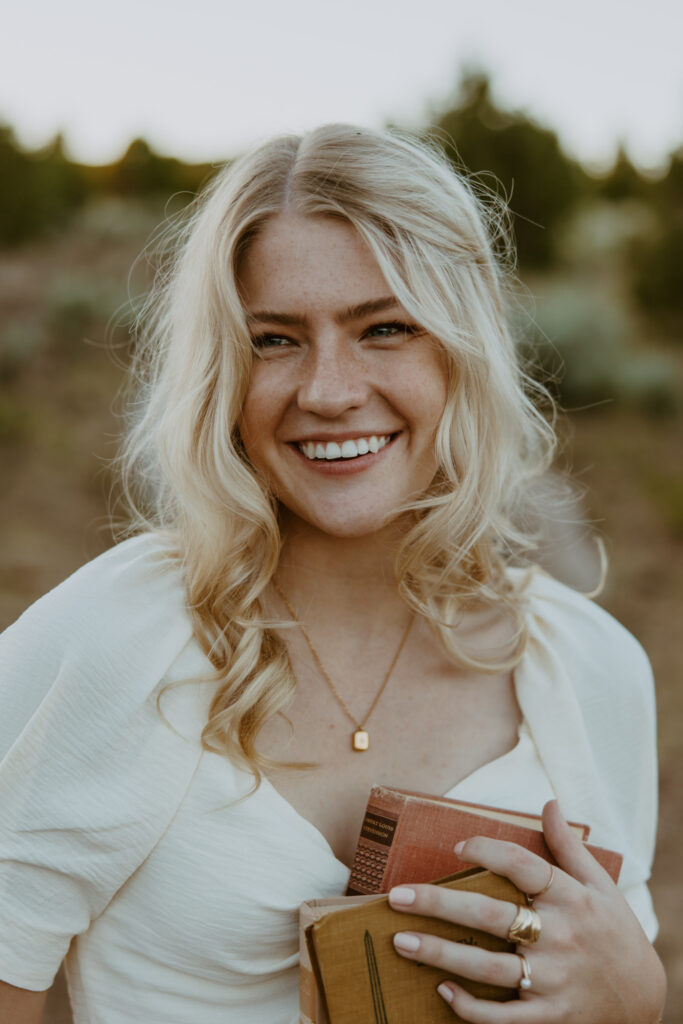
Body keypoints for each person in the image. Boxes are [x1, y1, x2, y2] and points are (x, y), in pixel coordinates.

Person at [0, 124, 665, 1024]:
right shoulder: (111, 638)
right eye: (274, 340)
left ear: (460, 350)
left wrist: (637, 994)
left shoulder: (591, 670)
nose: (328, 389)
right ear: (222, 372)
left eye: (384, 328)